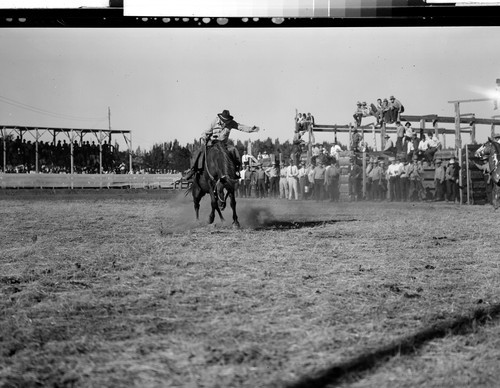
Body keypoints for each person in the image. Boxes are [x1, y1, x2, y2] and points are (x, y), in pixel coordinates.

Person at [184, 109, 259, 180]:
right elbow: (206, 131)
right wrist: (204, 137)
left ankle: (236, 170)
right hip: (212, 143)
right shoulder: (214, 121)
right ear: (221, 118)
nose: (225, 122)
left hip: (223, 144)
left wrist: (251, 129)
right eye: (224, 120)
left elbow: (240, 127)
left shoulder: (231, 123)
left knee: (234, 150)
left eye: (226, 121)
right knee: (200, 151)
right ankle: (193, 169)